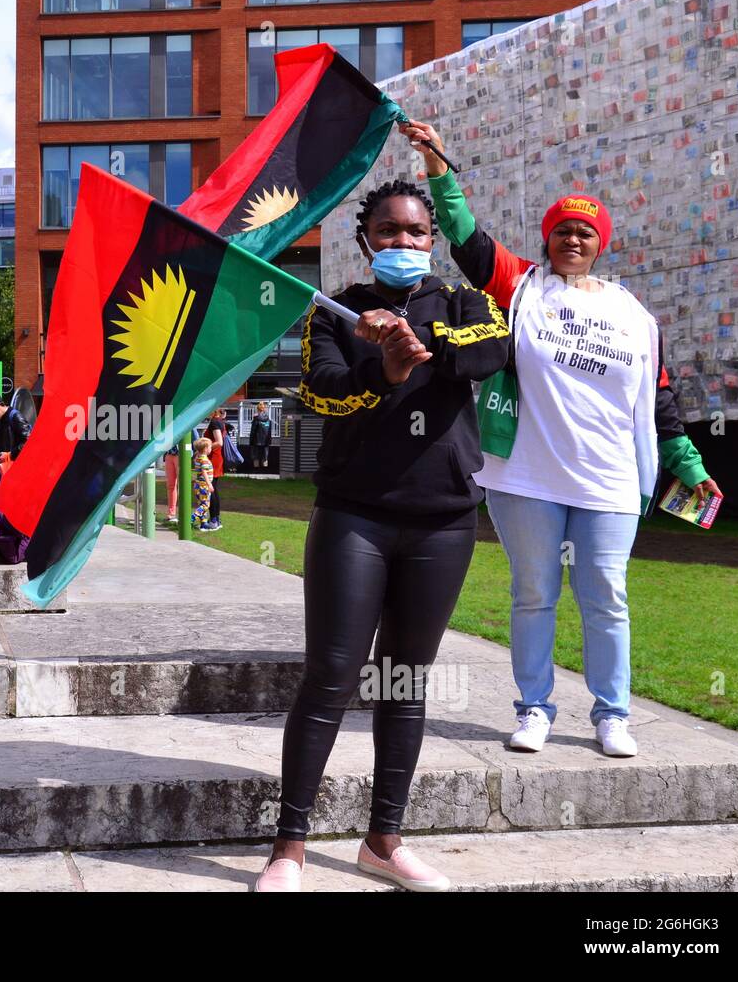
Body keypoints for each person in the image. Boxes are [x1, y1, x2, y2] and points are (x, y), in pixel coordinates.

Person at [398, 120, 722, 760]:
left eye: (586, 232)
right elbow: (465, 236)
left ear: (600, 245)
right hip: (527, 475)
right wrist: (437, 165)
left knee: (606, 597)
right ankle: (534, 708)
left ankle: (613, 714)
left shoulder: (635, 316)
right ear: (548, 239)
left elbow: (660, 401)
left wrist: (689, 462)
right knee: (534, 594)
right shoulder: (521, 287)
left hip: (610, 479)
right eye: (563, 230)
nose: (573, 238)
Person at [255, 179, 511, 893]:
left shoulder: (463, 301)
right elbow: (319, 390)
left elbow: (491, 348)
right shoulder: (335, 310)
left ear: (434, 239)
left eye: (417, 232)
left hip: (444, 522)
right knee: (332, 675)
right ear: (365, 239)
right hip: (354, 516)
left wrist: (417, 342)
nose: (403, 243)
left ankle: (384, 839)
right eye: (388, 232)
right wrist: (382, 367)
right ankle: (289, 845)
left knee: (404, 679)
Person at [201, 407, 227, 531]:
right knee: (213, 489)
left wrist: (203, 449)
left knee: (211, 489)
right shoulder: (219, 421)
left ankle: (214, 520)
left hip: (213, 459)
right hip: (214, 458)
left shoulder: (215, 422)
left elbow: (219, 442)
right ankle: (216, 519)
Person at [190, 437, 214, 530]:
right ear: (205, 449)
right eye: (210, 447)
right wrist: (209, 484)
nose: (211, 449)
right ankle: (192, 518)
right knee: (205, 505)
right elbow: (204, 472)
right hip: (204, 485)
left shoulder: (198, 458)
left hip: (198, 484)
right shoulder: (204, 459)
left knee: (202, 503)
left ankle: (203, 523)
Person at [248, 401, 273, 470]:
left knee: (255, 454)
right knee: (265, 454)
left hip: (256, 440)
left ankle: (256, 469)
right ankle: (265, 468)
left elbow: (253, 430)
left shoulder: (256, 419)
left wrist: (251, 440)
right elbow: (270, 429)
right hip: (266, 440)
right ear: (264, 409)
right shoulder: (268, 418)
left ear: (258, 409)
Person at [163, 440, 181, 524]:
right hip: (169, 454)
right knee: (171, 485)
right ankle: (171, 513)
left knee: (182, 485)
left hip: (180, 455)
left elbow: (194, 436)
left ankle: (183, 514)